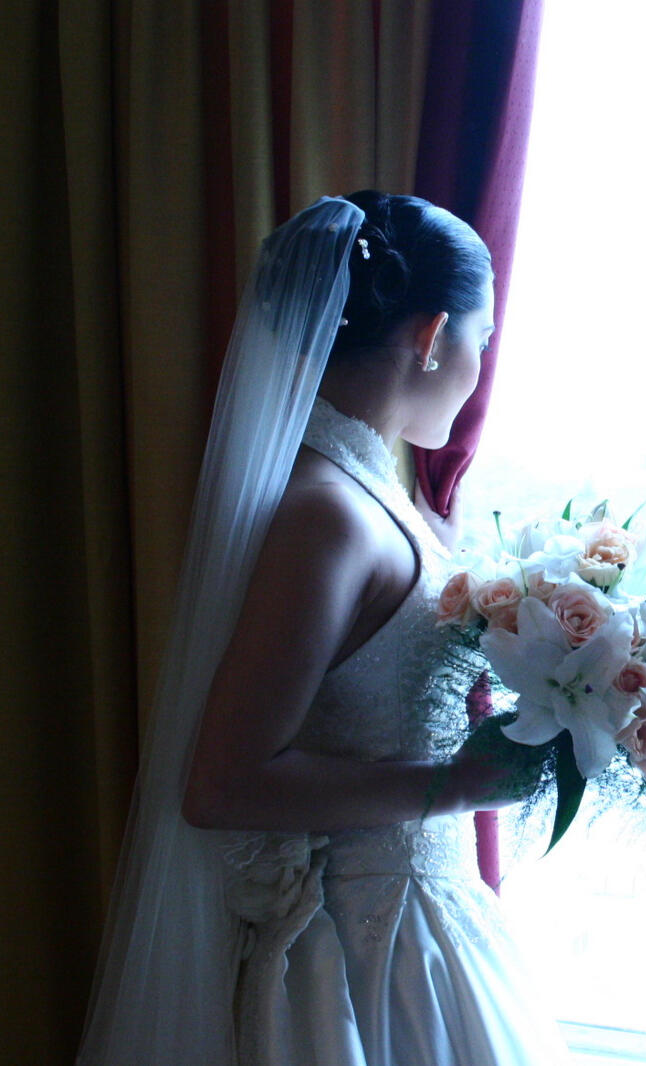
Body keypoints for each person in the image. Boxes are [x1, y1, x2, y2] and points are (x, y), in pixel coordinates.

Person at [79, 193, 567, 1065]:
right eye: (478, 346)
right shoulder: (328, 513)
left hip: (420, 920)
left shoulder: (369, 490)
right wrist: (455, 787)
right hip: (361, 959)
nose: (476, 372)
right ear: (429, 335)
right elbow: (222, 786)